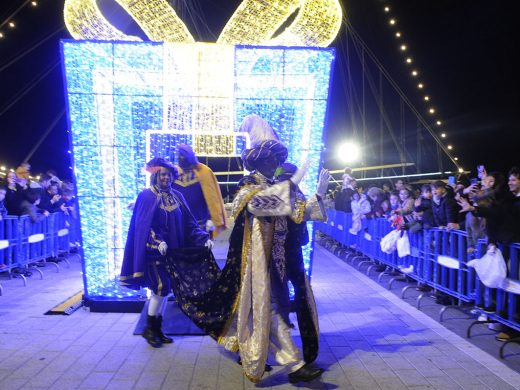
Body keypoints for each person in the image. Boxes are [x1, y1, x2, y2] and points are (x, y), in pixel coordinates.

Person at [214, 126, 329, 383]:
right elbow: (261, 204)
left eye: (277, 158)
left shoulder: (276, 184)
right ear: (258, 161)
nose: (275, 162)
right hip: (253, 260)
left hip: (276, 260)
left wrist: (319, 194)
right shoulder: (248, 186)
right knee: (265, 308)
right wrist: (292, 182)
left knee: (270, 308)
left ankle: (264, 354)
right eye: (270, 159)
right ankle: (292, 363)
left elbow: (300, 211)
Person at [120, 157, 212, 348]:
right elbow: (144, 226)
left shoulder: (177, 195)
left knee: (165, 290)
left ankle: (156, 329)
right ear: (155, 176)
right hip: (154, 254)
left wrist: (203, 238)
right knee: (160, 289)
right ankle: (149, 329)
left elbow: (189, 223)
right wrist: (157, 241)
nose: (166, 178)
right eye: (163, 175)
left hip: (174, 253)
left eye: (169, 175)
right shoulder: (147, 196)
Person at [172, 144, 227, 238]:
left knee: (201, 249)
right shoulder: (174, 172)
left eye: (183, 155)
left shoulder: (203, 171)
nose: (180, 158)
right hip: (179, 221)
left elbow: (211, 197)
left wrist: (212, 218)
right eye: (178, 155)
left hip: (200, 221)